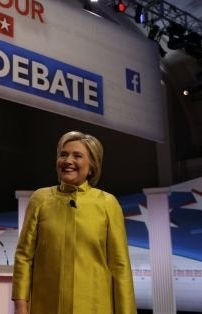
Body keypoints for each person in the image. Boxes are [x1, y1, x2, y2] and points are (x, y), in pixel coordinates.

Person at [11, 131, 136, 314]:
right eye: (63, 154)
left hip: (95, 306)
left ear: (92, 166)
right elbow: (24, 257)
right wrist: (21, 305)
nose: (68, 160)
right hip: (46, 306)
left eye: (77, 156)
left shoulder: (108, 203)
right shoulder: (40, 199)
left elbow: (120, 266)